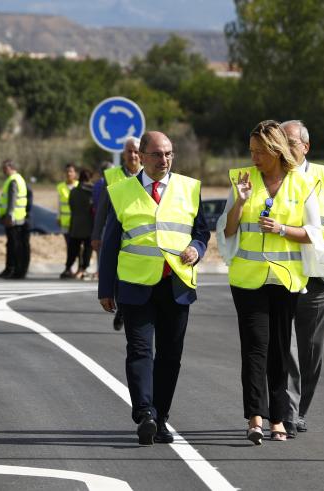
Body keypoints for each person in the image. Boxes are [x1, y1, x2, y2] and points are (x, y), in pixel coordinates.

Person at [216, 120, 324, 445]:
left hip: (285, 279)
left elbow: (314, 234)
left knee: (280, 351)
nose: (253, 158)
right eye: (251, 151)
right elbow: (226, 232)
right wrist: (239, 204)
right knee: (255, 348)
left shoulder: (302, 183)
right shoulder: (242, 180)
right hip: (248, 280)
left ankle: (279, 418)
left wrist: (282, 229)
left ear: (275, 150)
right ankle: (255, 417)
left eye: (259, 152)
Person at [98, 131, 210, 446]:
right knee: (140, 351)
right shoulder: (120, 192)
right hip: (135, 286)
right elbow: (109, 246)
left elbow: (201, 231)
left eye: (169, 154)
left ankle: (160, 418)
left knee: (170, 356)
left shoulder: (189, 189)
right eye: (157, 155)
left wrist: (196, 248)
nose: (164, 160)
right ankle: (145, 413)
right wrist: (106, 288)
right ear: (142, 156)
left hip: (176, 284)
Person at [280, 120, 324, 437]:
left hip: (318, 279)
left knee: (310, 350)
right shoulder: (273, 176)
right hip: (280, 275)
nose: (284, 146)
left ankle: (299, 409)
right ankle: (286, 412)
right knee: (284, 348)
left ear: (305, 147)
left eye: (290, 141)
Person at [93, 138, 142, 330]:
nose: (133, 155)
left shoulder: (148, 176)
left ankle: (125, 309)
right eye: (129, 151)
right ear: (124, 154)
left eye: (136, 151)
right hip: (115, 235)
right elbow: (102, 209)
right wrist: (96, 235)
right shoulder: (112, 176)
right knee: (115, 274)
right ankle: (122, 307)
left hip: (137, 236)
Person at [0, 159, 30, 279]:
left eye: (4, 168)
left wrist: (9, 215)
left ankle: (15, 270)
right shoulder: (18, 179)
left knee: (14, 246)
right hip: (18, 217)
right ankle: (12, 268)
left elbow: (12, 199)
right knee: (13, 245)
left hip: (14, 219)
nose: (3, 170)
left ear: (10, 167)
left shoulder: (13, 180)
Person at [67, 168, 95, 279]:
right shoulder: (93, 191)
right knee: (87, 249)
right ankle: (82, 269)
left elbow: (71, 206)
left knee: (74, 248)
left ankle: (69, 268)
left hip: (75, 224)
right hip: (89, 224)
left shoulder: (73, 191)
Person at [57, 163, 78, 278]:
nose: (69, 173)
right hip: (65, 221)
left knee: (76, 246)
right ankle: (70, 268)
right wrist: (58, 217)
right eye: (67, 171)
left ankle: (77, 268)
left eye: (71, 171)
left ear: (75, 173)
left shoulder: (79, 186)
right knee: (69, 245)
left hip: (76, 222)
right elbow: (59, 203)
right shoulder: (60, 187)